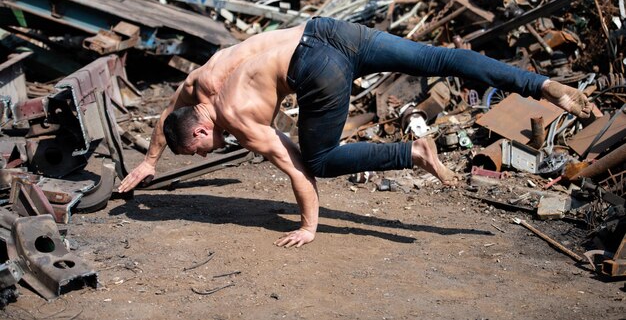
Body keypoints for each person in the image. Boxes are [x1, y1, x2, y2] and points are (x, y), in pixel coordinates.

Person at [118, 17, 591, 248]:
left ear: (201, 128)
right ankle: (541, 85)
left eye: (198, 150)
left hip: (316, 65)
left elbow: (298, 171)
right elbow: (171, 112)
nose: (205, 154)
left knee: (320, 157)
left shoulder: (238, 122)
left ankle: (414, 152)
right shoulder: (207, 75)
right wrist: (151, 159)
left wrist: (308, 226)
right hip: (327, 29)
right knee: (437, 58)